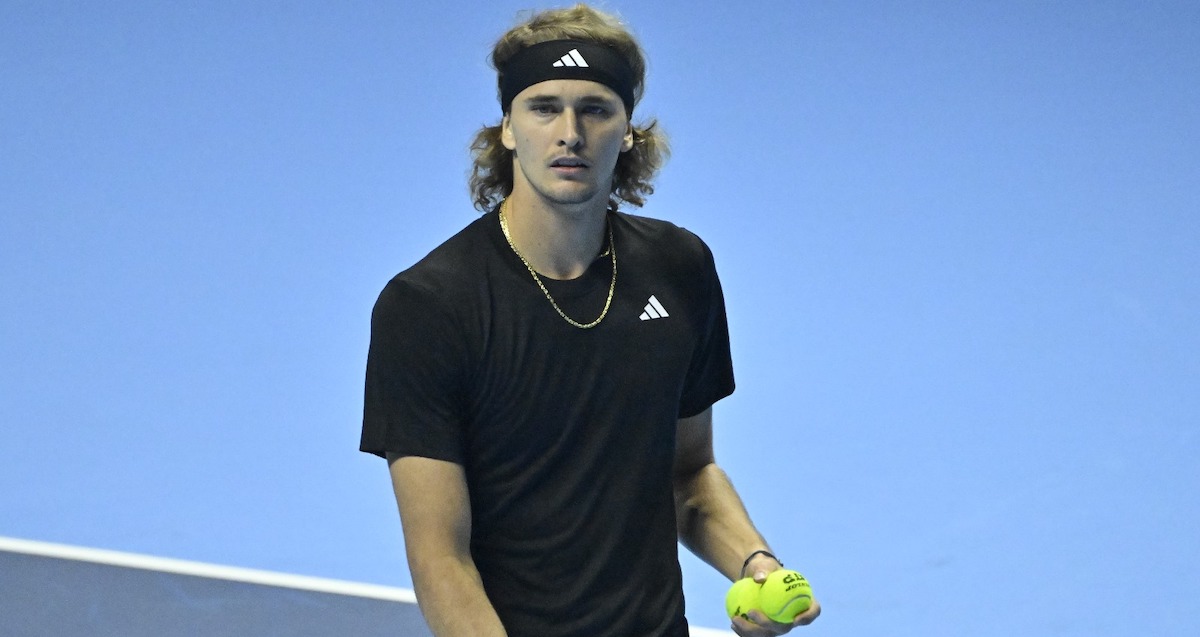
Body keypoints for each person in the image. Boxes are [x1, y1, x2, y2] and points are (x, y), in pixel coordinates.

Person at [360, 4, 820, 636]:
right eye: (544, 108)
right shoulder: (429, 307)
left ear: (628, 130)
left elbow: (688, 475)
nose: (570, 133)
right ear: (508, 129)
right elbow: (442, 560)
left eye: (596, 109)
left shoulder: (679, 267)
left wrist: (755, 562)